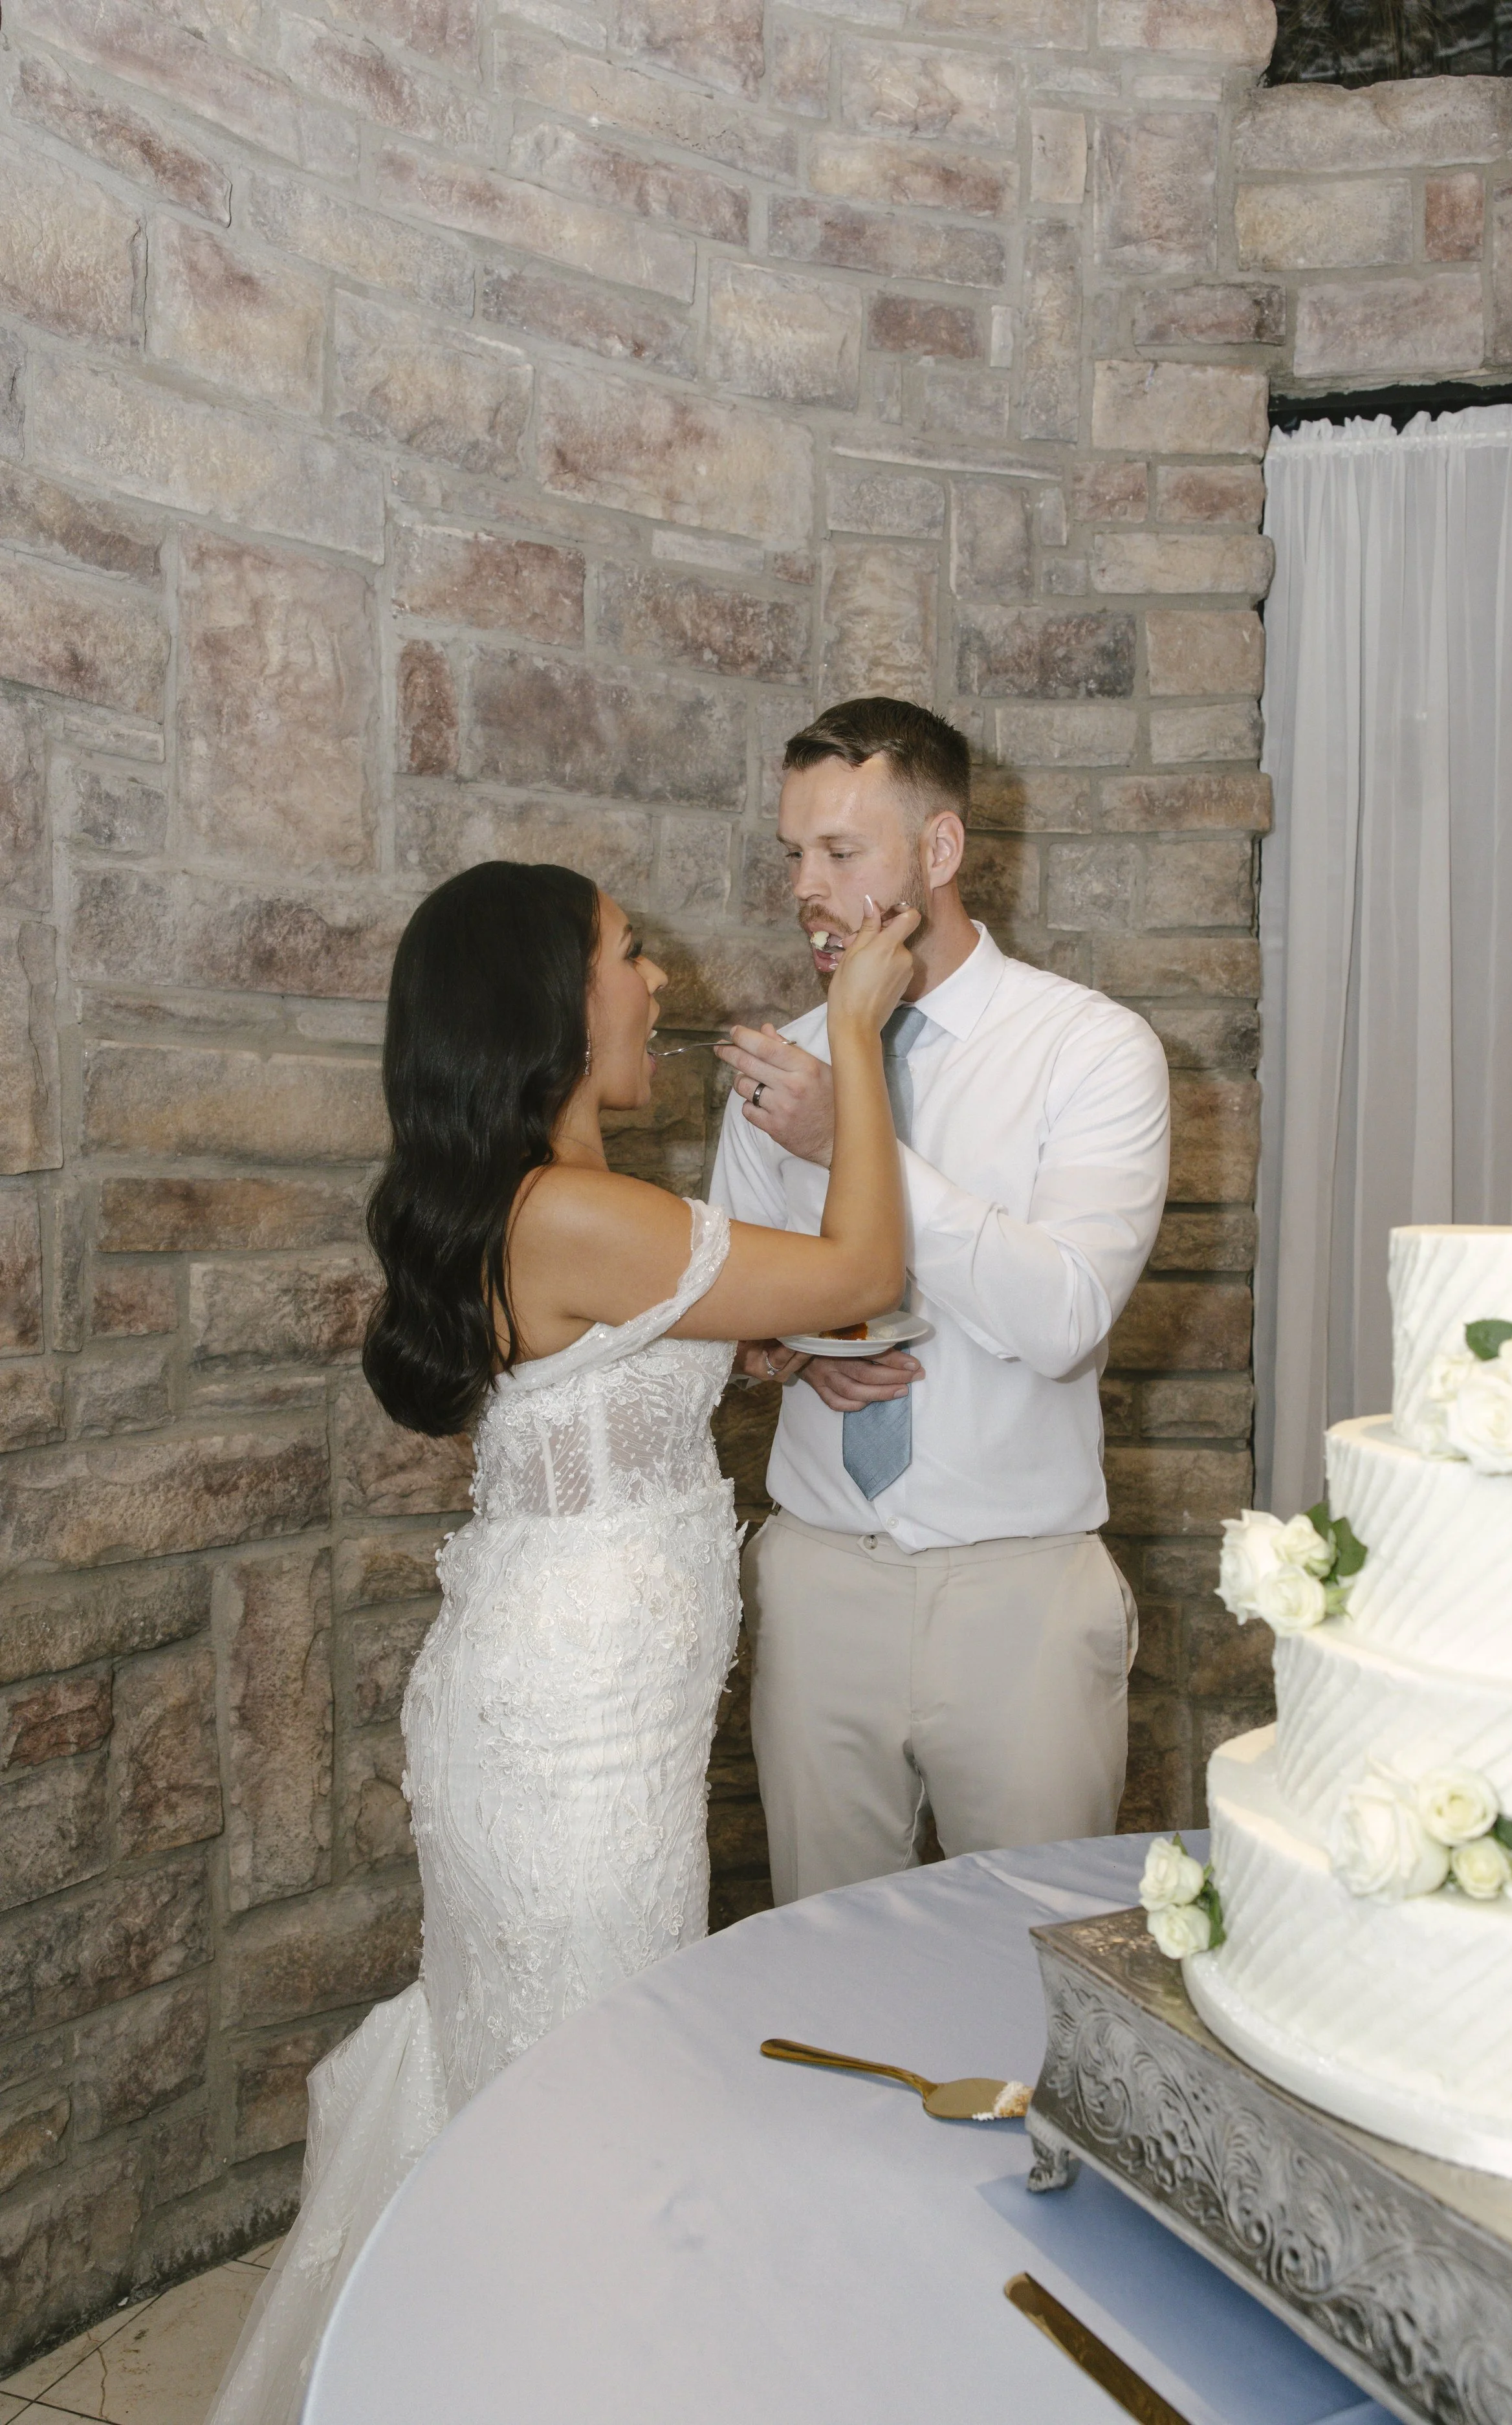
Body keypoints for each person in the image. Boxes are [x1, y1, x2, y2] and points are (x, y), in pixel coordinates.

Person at [208, 859, 917, 2425]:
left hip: (560, 1709)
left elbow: (593, 1388)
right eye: (625, 953)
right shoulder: (581, 1210)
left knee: (545, 2064)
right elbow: (871, 1265)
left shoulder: (543, 1212)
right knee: (593, 2089)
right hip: (571, 1748)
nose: (654, 979)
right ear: (548, 1002)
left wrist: (763, 1358)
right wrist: (854, 1033)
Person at [710, 698, 1170, 1905]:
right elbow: (729, 1313)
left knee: (1038, 1973)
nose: (807, 888)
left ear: (940, 853)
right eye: (793, 855)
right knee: (822, 1959)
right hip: (817, 1580)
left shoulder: (1092, 1050)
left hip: (1018, 1596)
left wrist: (847, 1136)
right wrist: (790, 1360)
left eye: (841, 853)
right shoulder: (779, 1065)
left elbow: (1065, 1315)